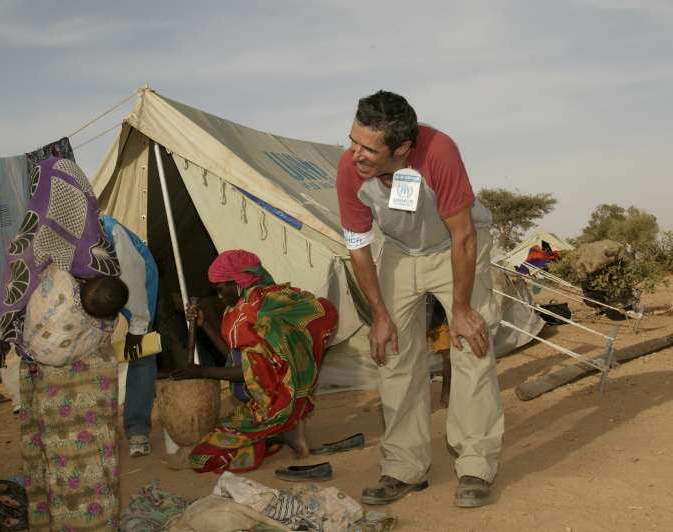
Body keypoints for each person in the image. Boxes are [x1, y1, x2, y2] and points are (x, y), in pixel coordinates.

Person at [336, 91, 503, 507]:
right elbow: (358, 247)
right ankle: (404, 467)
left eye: (368, 149)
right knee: (391, 350)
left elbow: (463, 234)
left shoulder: (438, 152)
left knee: (471, 343)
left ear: (403, 149)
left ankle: (476, 465)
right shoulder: (349, 168)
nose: (355, 154)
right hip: (398, 252)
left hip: (455, 246)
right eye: (353, 141)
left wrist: (461, 311)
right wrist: (379, 315)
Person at [0, 157, 125, 530]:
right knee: (94, 450)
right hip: (92, 369)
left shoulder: (28, 246)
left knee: (61, 455)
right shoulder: (101, 243)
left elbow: (10, 308)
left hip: (49, 375)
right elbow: (112, 309)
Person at [173, 250, 338, 474]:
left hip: (268, 407)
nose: (219, 296)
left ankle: (274, 433)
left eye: (221, 289)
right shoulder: (255, 305)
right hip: (271, 400)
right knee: (227, 432)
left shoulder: (257, 315)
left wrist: (202, 371)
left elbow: (246, 372)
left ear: (239, 282)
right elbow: (235, 360)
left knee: (201, 458)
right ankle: (283, 429)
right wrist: (205, 326)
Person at [101, 215, 160, 458]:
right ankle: (99, 430)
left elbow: (133, 283)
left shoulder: (112, 234)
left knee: (140, 351)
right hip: (96, 289)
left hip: (135, 282)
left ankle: (137, 428)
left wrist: (137, 326)